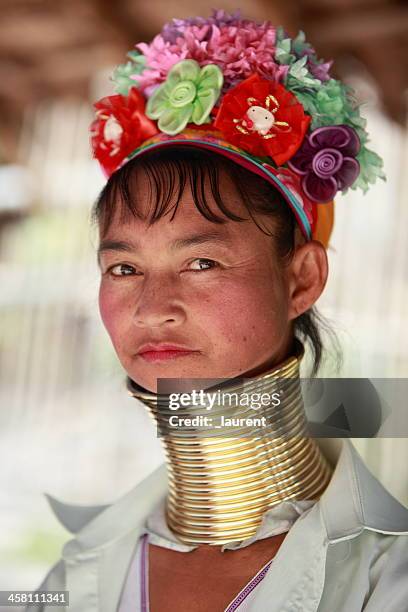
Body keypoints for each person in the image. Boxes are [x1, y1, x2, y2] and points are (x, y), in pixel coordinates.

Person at [29, 10, 408, 612]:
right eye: (124, 268)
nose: (153, 310)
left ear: (301, 279)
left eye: (202, 263)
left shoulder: (387, 579)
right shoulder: (75, 576)